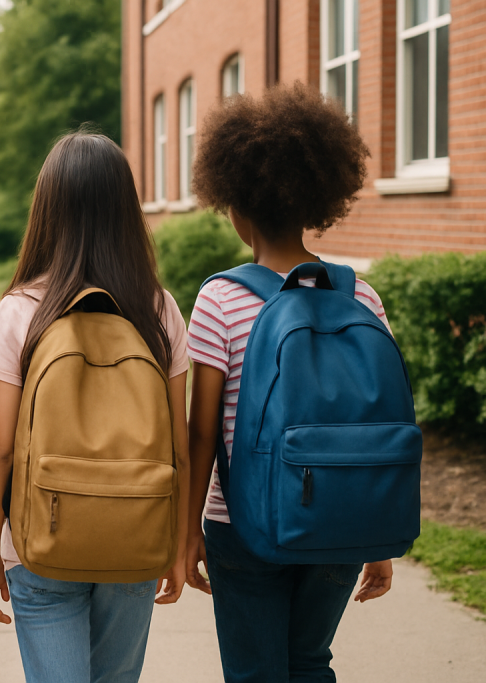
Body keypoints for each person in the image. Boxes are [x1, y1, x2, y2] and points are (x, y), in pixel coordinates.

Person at [184, 83, 395, 682]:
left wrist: (184, 535)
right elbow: (378, 423)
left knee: (254, 671)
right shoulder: (362, 297)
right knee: (309, 662)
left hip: (241, 523)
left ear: (234, 204)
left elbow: (202, 434)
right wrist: (377, 536)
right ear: (319, 199)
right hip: (341, 519)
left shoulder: (219, 300)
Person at [0, 131, 191, 683]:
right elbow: (179, 448)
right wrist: (178, 541)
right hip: (136, 531)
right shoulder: (159, 310)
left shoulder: (20, 312)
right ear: (126, 210)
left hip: (38, 538)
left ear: (47, 211)